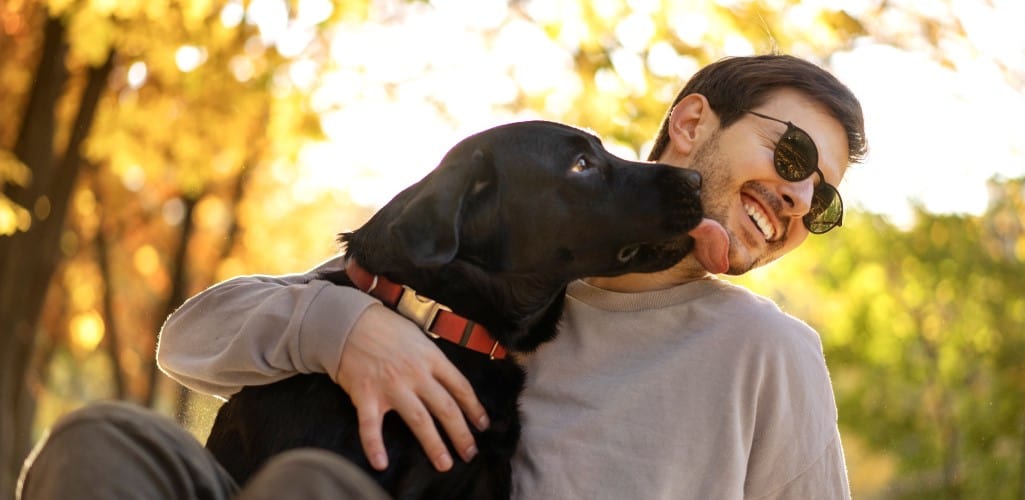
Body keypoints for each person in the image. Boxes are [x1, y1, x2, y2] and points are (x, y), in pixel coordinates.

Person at [18, 54, 867, 499]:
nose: (799, 197)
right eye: (791, 154)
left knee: (314, 490)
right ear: (690, 122)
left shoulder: (766, 351)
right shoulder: (514, 274)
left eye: (822, 199)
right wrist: (341, 330)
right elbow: (194, 340)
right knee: (103, 442)